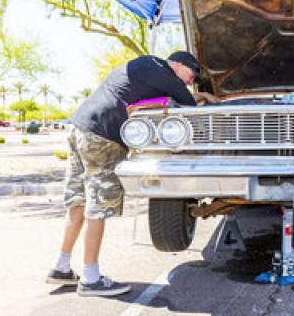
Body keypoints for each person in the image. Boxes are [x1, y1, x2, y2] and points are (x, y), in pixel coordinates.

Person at [46, 51, 218, 297]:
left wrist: (196, 93)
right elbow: (188, 105)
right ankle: (91, 279)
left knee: (79, 201)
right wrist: (202, 97)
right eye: (192, 75)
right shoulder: (164, 73)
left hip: (79, 127)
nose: (190, 82)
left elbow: (174, 95)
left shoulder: (148, 66)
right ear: (179, 65)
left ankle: (61, 267)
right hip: (102, 136)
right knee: (98, 207)